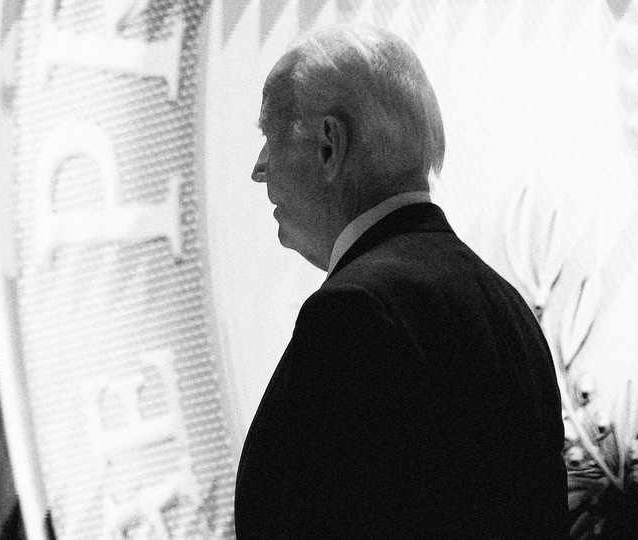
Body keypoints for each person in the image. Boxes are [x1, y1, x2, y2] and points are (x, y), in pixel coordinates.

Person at [234, 25, 568, 539]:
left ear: (329, 146)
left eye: (270, 136)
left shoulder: (353, 314)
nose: (259, 169)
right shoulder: (511, 312)